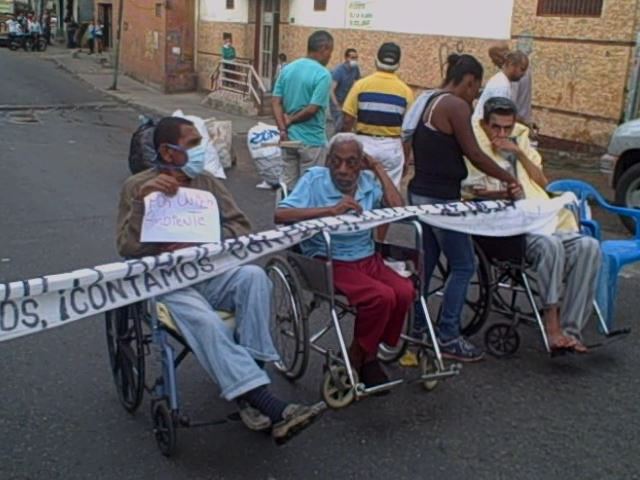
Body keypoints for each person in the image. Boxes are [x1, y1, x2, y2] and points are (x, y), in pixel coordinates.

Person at [117, 117, 325, 444]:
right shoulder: (138, 187)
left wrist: (207, 236)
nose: (202, 149)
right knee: (208, 322)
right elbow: (127, 248)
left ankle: (252, 381)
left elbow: (241, 227)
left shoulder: (207, 184)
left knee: (255, 277)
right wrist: (145, 205)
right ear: (167, 152)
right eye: (193, 144)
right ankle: (266, 402)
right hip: (168, 283)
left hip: (211, 272)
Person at [407, 54, 521, 362]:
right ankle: (448, 336)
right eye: (476, 89)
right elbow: (474, 153)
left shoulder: (427, 100)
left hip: (419, 193)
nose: (475, 96)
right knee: (464, 265)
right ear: (469, 81)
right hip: (440, 199)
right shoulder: (455, 105)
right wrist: (508, 177)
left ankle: (416, 330)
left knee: (426, 265)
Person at [275, 133, 414, 387]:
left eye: (351, 163)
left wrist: (378, 168)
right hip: (328, 259)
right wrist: (330, 211)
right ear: (328, 161)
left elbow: (397, 209)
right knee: (381, 297)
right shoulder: (315, 179)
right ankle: (362, 358)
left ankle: (362, 353)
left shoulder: (369, 180)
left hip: (367, 256)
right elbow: (281, 214)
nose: (343, 170)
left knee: (404, 291)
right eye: (336, 162)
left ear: (361, 163)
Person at [462, 97, 600, 352]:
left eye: (507, 128)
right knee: (551, 247)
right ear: (484, 124)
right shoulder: (475, 147)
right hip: (508, 229)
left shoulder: (519, 140)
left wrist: (519, 153)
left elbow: (542, 181)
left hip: (541, 217)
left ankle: (571, 331)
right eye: (496, 127)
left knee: (589, 247)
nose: (501, 134)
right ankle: (552, 326)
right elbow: (471, 191)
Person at [342, 42, 413, 187]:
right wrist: (406, 158)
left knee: (360, 190)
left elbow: (348, 119)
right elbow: (407, 132)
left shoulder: (361, 85)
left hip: (364, 145)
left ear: (376, 60)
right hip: (392, 147)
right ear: (398, 64)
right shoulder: (406, 91)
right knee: (389, 191)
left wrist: (345, 142)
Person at [272, 30, 334, 189]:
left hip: (288, 138)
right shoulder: (323, 74)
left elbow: (275, 101)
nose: (330, 56)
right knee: (310, 188)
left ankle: (283, 212)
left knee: (287, 186)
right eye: (330, 51)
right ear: (323, 49)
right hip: (312, 141)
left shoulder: (288, 69)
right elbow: (312, 109)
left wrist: (283, 129)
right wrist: (291, 119)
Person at [472, 50, 528, 120]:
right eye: (522, 69)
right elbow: (500, 115)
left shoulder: (502, 80)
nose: (524, 74)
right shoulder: (502, 86)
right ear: (511, 65)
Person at [487, 45, 534, 128]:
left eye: (494, 59)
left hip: (517, 122)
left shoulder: (511, 78)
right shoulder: (504, 81)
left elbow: (509, 108)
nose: (493, 63)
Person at [330, 48, 360, 132]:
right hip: (337, 100)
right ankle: (334, 141)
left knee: (350, 123)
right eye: (352, 57)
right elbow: (331, 90)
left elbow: (357, 82)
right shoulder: (338, 71)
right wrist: (337, 105)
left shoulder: (355, 69)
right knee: (339, 125)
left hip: (347, 100)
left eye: (356, 57)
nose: (355, 60)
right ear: (346, 58)